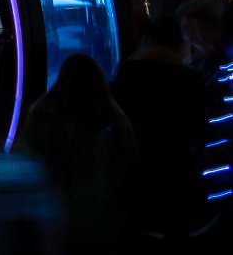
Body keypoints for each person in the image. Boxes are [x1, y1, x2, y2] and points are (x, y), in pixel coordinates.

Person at [110, 15, 219, 247]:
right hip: (178, 175)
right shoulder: (190, 79)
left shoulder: (125, 72)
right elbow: (202, 131)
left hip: (134, 174)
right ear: (181, 43)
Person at [21, 54, 136, 255]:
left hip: (52, 222)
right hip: (104, 226)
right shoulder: (118, 123)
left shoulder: (43, 116)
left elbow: (26, 167)